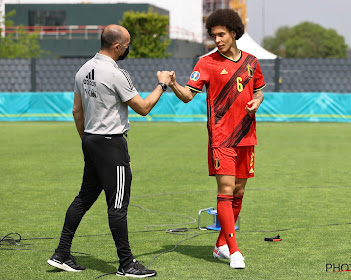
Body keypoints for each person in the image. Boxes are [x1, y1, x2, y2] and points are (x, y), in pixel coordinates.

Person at [47, 24, 170, 278]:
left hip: (91, 140)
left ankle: (61, 253)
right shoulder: (116, 73)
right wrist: (162, 84)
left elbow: (76, 112)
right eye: (126, 45)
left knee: (83, 198)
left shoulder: (83, 70)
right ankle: (126, 264)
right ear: (117, 46)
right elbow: (143, 108)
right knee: (117, 206)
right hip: (112, 144)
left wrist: (87, 142)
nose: (128, 49)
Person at [167, 9, 265, 269]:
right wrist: (174, 84)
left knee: (240, 192)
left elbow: (258, 91)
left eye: (221, 34)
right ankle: (234, 251)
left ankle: (220, 244)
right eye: (213, 35)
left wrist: (257, 101)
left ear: (234, 32)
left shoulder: (252, 61)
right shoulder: (206, 63)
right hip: (221, 138)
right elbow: (188, 96)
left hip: (247, 136)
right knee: (225, 191)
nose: (217, 39)